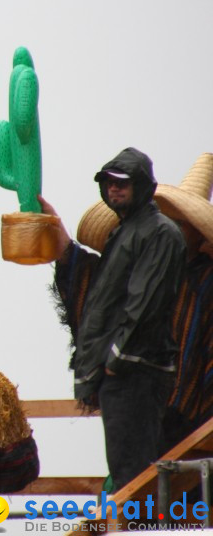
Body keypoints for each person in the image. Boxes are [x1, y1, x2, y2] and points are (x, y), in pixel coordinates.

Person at [40, 146, 186, 491]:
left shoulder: (159, 232)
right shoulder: (125, 233)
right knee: (127, 470)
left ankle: (140, 528)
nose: (113, 188)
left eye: (122, 182)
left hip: (136, 371)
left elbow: (144, 304)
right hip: (126, 373)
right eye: (107, 182)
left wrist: (115, 359)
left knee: (133, 476)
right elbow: (104, 296)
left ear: (141, 185)